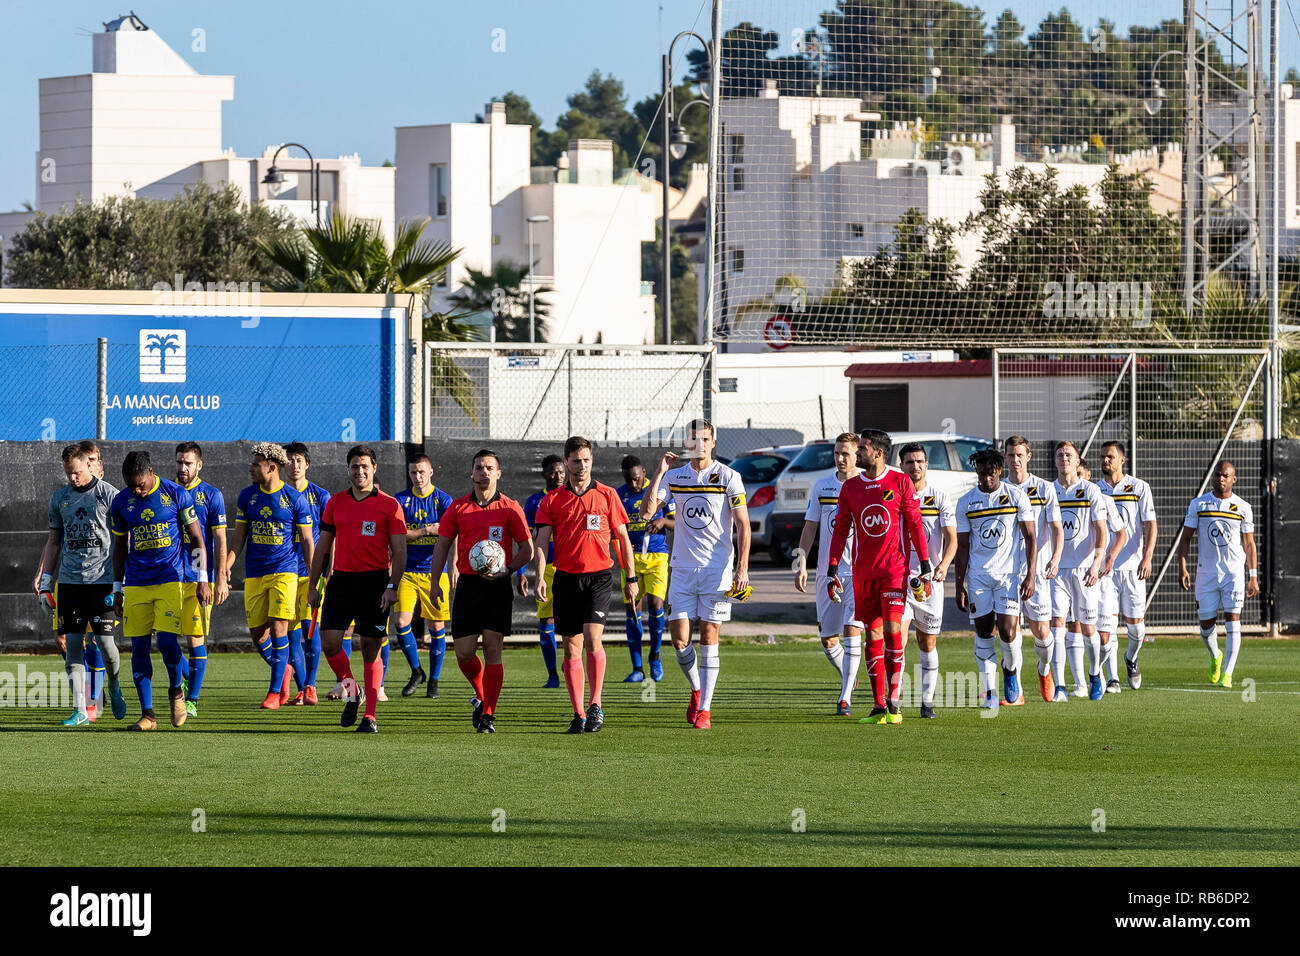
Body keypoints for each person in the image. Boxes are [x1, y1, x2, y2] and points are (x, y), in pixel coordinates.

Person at [641, 419, 750, 730]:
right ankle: (696, 689)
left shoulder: (729, 476)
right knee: (678, 641)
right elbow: (647, 513)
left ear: (713, 442)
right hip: (683, 569)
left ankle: (704, 709)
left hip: (717, 570)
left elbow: (743, 525)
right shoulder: (675, 477)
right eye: (693, 439)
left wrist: (741, 568)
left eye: (704, 439)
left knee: (709, 638)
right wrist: (660, 472)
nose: (698, 444)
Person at [825, 429, 930, 725]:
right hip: (862, 573)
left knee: (893, 631)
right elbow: (841, 529)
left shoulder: (900, 481)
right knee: (871, 635)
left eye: (863, 448)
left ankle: (894, 700)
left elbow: (914, 525)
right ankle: (878, 706)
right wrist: (833, 568)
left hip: (894, 572)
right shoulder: (850, 488)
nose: (858, 453)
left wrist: (924, 564)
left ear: (879, 453)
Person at [534, 436, 637, 733]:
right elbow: (541, 542)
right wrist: (539, 575)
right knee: (570, 648)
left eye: (586, 460)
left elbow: (623, 540)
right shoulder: (552, 500)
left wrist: (630, 579)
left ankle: (596, 705)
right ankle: (578, 714)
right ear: (566, 462)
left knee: (593, 638)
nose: (582, 466)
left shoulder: (607, 495)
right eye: (576, 460)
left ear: (592, 461)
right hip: (565, 578)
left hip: (600, 578)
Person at [429, 449, 533, 734]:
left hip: (498, 585)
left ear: (498, 473)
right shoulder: (459, 508)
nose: (484, 472)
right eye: (479, 467)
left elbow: (527, 549)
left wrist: (509, 570)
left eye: (490, 468)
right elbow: (442, 545)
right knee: (463, 653)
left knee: (492, 647)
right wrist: (435, 581)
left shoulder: (510, 507)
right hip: (468, 585)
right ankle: (481, 695)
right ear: (471, 473)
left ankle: (488, 714)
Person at [307, 446, 407, 733]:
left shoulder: (389, 505)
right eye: (354, 466)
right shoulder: (335, 503)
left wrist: (392, 586)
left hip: (375, 582)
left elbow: (399, 552)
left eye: (365, 466)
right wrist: (312, 586)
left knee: (370, 649)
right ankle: (352, 690)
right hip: (341, 581)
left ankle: (370, 716)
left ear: (374, 468)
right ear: (348, 469)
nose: (360, 471)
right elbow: (322, 548)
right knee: (329, 643)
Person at [110, 451, 211, 731]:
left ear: (151, 472)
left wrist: (202, 578)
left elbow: (196, 539)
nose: (137, 491)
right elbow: (119, 548)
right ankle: (148, 715)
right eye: (131, 485)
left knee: (167, 642)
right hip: (137, 583)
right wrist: (118, 588)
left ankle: (177, 692)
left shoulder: (176, 494)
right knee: (139, 649)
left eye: (140, 484)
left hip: (171, 579)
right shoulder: (120, 503)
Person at [36, 442, 125, 726]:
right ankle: (81, 710)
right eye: (68, 473)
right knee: (72, 645)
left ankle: (113, 685)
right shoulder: (59, 499)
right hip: (71, 583)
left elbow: (124, 540)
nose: (72, 478)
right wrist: (47, 581)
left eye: (76, 472)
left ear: (89, 464)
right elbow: (54, 542)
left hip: (102, 582)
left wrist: (120, 583)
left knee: (106, 645)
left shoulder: (109, 495)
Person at [226, 444, 316, 710]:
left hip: (285, 572)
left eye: (256, 464)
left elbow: (308, 541)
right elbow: (239, 536)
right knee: (257, 634)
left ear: (272, 468)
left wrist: (313, 579)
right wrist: (227, 565)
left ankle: (275, 692)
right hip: (255, 573)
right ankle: (285, 671)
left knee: (280, 627)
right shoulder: (247, 496)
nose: (251, 468)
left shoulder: (294, 498)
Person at [953, 449, 1036, 711]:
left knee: (1009, 633)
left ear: (999, 471)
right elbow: (963, 546)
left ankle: (1010, 671)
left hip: (1008, 577)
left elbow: (1031, 537)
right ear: (976, 471)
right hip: (978, 577)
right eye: (981, 473)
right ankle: (989, 691)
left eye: (991, 473)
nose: (986, 478)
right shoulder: (966, 502)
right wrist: (959, 584)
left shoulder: (1016, 496)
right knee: (983, 631)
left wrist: (1030, 574)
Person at [793, 433, 865, 716]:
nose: (840, 458)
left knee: (852, 631)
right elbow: (810, 527)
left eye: (846, 453)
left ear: (857, 454)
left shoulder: (865, 486)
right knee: (828, 638)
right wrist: (801, 563)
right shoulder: (822, 486)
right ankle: (851, 676)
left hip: (857, 572)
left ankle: (845, 697)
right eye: (837, 452)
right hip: (828, 572)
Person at [1177, 461, 1257, 689]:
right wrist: (1182, 566)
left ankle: (1228, 674)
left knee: (1233, 620)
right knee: (1205, 624)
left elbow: (1249, 544)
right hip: (1206, 573)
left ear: (1234, 479)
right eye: (1218, 475)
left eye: (1225, 475)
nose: (1220, 479)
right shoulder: (1199, 504)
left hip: (1234, 574)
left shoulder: (1243, 507)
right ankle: (1215, 655)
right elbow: (1185, 538)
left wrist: (1253, 576)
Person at [897, 441, 958, 718]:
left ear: (926, 465)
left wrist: (943, 565)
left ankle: (927, 701)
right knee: (897, 640)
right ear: (901, 466)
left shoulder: (939, 496)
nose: (915, 466)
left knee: (927, 642)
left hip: (930, 581)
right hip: (899, 579)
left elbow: (952, 539)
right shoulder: (893, 495)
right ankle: (892, 700)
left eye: (920, 461)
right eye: (910, 462)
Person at [1002, 437, 1064, 702]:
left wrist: (1055, 558)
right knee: (1009, 629)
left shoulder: (1044, 488)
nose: (1015, 460)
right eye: (1010, 455)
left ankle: (1044, 668)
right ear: (1004, 458)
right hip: (1005, 571)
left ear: (1028, 457)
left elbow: (1057, 528)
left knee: (1041, 632)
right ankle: (1015, 686)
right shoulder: (999, 488)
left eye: (1019, 455)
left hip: (1036, 570)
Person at [1050, 441, 1111, 702]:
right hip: (1056, 571)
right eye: (1060, 455)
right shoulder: (1048, 490)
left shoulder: (1090, 490)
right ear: (1056, 461)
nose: (1065, 459)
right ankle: (1060, 686)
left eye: (1069, 455)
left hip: (1085, 569)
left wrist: (1097, 563)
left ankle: (1095, 675)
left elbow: (1102, 531)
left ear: (1077, 462)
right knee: (1058, 626)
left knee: (1088, 628)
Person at [1096, 441, 1158, 690]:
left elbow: (1151, 524)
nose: (1105, 461)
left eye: (1110, 456)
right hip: (1105, 570)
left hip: (1133, 567)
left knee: (1136, 627)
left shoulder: (1139, 487)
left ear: (1122, 459)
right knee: (1107, 627)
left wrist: (1148, 557)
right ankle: (1113, 678)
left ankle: (1131, 658)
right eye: (1102, 457)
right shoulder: (1095, 490)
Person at [174, 442, 228, 718]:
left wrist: (218, 579)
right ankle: (188, 677)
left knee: (195, 639)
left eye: (188, 463)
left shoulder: (211, 495)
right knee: (168, 641)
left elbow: (219, 540)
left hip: (198, 578)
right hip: (169, 578)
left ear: (200, 465)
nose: (183, 468)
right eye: (179, 463)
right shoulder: (166, 493)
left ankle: (192, 699)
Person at [394, 453, 455, 698]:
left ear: (431, 472)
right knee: (400, 623)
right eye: (413, 473)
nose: (417, 477)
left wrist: (455, 566)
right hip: (407, 571)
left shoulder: (443, 500)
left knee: (436, 626)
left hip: (435, 572)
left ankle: (434, 682)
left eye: (422, 472)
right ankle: (417, 671)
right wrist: (427, 530)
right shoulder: (400, 500)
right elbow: (399, 535)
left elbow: (453, 535)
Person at [615, 455, 674, 683]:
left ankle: (655, 657)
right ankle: (637, 669)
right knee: (632, 610)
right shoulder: (619, 495)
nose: (634, 484)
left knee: (657, 604)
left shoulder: (660, 490)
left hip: (657, 555)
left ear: (644, 472)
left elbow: (677, 522)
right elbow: (614, 527)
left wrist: (662, 523)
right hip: (630, 558)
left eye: (637, 479)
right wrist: (621, 540)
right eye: (630, 480)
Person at [1077, 459, 1128, 697]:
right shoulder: (1063, 499)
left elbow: (1121, 535)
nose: (1078, 478)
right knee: (1078, 628)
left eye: (1081, 474)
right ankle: (1084, 681)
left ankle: (1099, 671)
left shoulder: (1105, 501)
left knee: (1105, 636)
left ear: (1088, 475)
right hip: (1076, 575)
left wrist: (1111, 558)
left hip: (1103, 578)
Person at [285, 442, 330, 704]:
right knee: (290, 632)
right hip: (284, 572)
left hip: (312, 574)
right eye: (289, 460)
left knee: (309, 629)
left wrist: (329, 569)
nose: (294, 465)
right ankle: (303, 688)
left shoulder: (320, 496)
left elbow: (332, 535)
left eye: (299, 460)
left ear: (307, 464)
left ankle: (310, 685)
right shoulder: (273, 494)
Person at [519, 455, 565, 687]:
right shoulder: (535, 502)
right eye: (552, 472)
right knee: (547, 619)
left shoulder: (571, 497)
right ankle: (553, 675)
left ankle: (571, 667)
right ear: (544, 474)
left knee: (573, 622)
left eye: (561, 472)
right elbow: (526, 540)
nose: (558, 477)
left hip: (571, 568)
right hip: (545, 569)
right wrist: (521, 573)